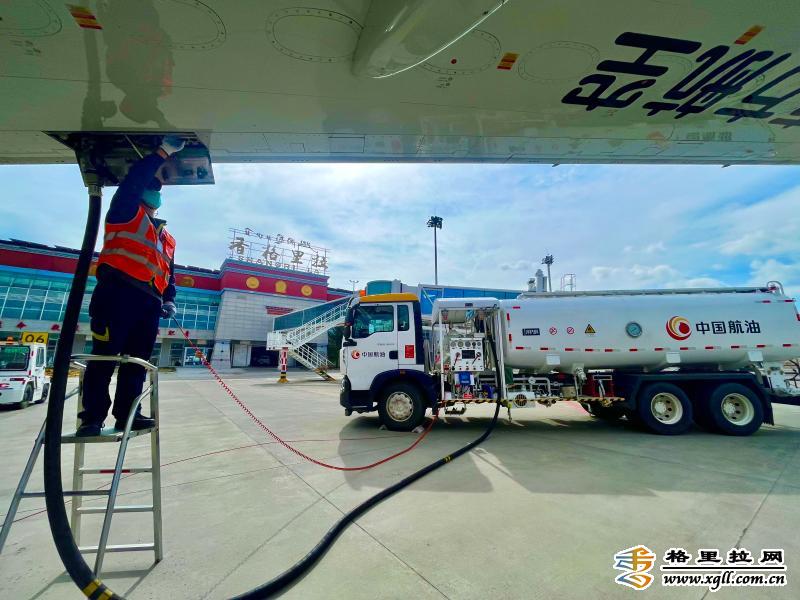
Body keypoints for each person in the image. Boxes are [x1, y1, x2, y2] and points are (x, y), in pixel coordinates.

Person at [76, 136, 185, 436]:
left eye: (158, 190)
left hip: (150, 302)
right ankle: (92, 418)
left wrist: (169, 298)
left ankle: (128, 414)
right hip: (117, 294)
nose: (155, 193)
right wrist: (162, 153)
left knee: (137, 362)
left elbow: (169, 274)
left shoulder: (167, 238)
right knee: (105, 356)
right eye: (152, 187)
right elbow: (134, 181)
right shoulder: (125, 212)